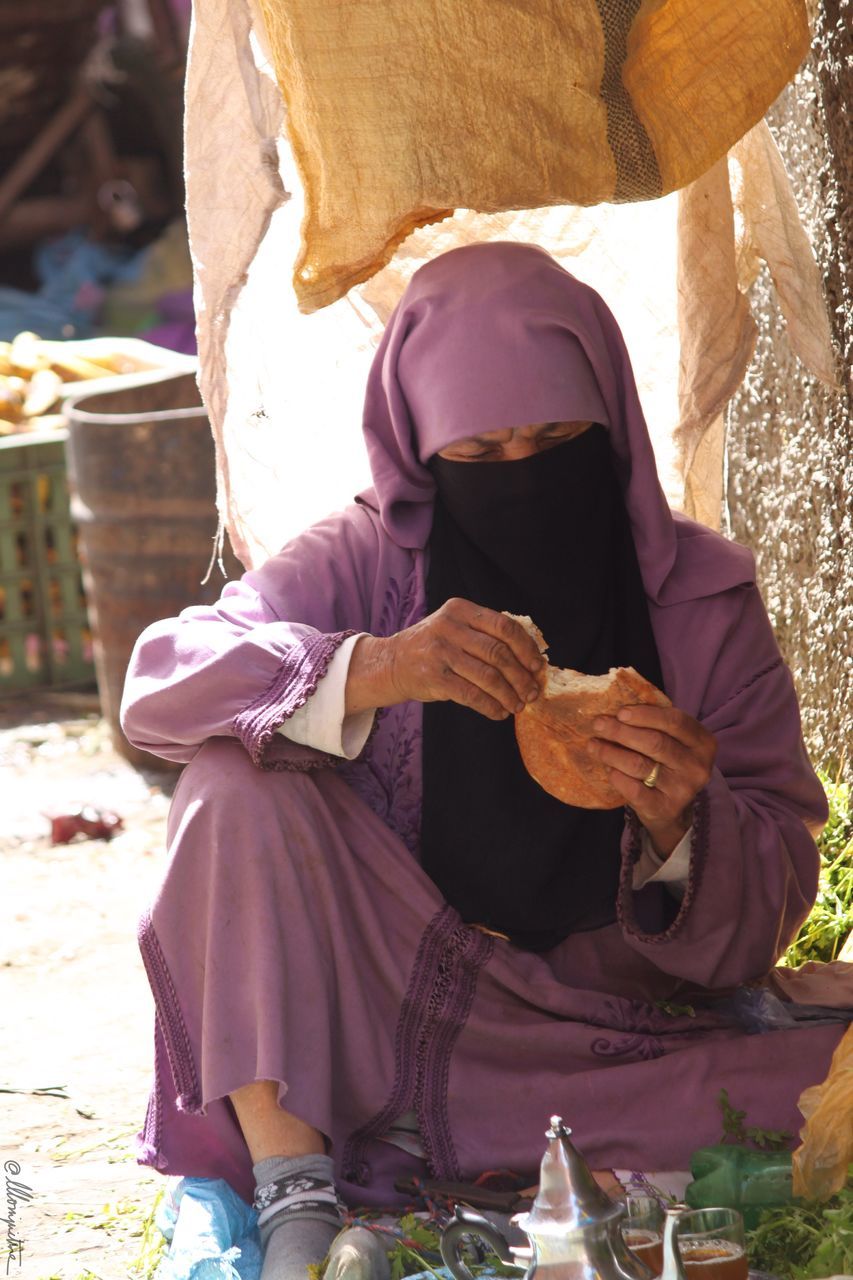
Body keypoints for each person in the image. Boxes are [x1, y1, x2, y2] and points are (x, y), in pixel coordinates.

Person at [121, 243, 847, 1280]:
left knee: (820, 1082)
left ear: (610, 427)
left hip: (601, 1025)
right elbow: (161, 685)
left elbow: (772, 898)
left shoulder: (698, 601)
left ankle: (421, 1153)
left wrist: (687, 819)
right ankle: (296, 1186)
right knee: (229, 782)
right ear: (422, 452)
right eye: (481, 454)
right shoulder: (365, 564)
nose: (523, 477)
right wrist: (373, 665)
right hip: (381, 993)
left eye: (555, 441)